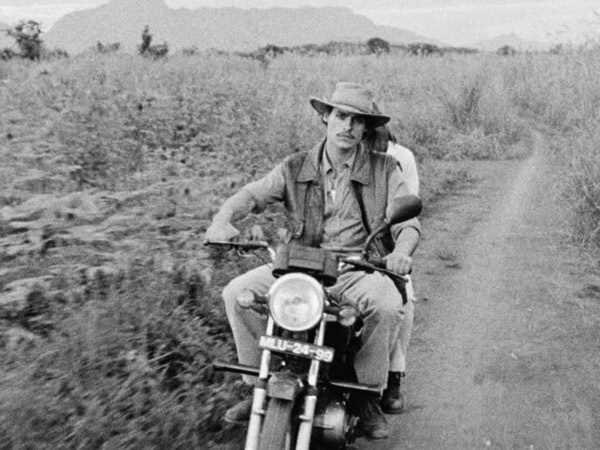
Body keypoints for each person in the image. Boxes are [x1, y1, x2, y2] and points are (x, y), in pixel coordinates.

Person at [204, 82, 421, 440]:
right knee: (236, 294)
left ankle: (367, 395)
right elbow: (253, 194)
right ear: (325, 117)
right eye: (341, 116)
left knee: (386, 305)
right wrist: (222, 219)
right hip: (298, 265)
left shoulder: (384, 169)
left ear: (366, 128)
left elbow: (408, 224)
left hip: (357, 269)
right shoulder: (295, 166)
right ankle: (258, 383)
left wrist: (400, 252)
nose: (347, 126)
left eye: (357, 120)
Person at [363, 122, 420, 416]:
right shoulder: (334, 155)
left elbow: (406, 207)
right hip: (344, 248)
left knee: (402, 299)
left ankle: (393, 375)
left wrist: (398, 251)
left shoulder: (398, 159)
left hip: (383, 241)